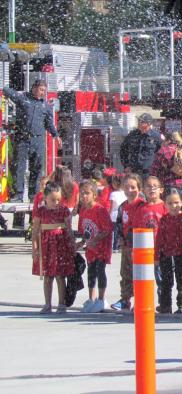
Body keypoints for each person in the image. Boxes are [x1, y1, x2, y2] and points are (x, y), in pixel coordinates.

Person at [4, 80, 62, 202]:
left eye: (44, 91)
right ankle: (18, 195)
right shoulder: (23, 98)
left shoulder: (45, 105)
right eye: (41, 90)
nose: (42, 93)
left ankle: (33, 196)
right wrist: (3, 88)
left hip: (38, 140)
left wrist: (56, 135)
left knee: (36, 168)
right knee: (19, 167)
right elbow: (9, 92)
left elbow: (49, 123)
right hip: (23, 139)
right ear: (34, 88)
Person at [31, 181, 75, 314]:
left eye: (58, 199)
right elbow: (35, 230)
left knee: (60, 276)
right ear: (45, 198)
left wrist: (72, 244)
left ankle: (61, 304)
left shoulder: (64, 210)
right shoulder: (41, 211)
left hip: (60, 246)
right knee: (47, 276)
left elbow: (69, 229)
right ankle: (47, 304)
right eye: (52, 200)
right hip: (46, 247)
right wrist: (35, 249)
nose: (56, 202)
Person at [131, 176, 167, 312]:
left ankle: (163, 303)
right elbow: (136, 229)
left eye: (155, 186)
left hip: (161, 249)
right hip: (144, 251)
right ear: (143, 190)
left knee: (161, 279)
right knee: (143, 278)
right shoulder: (141, 209)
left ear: (161, 190)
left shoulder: (165, 207)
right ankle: (143, 302)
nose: (152, 188)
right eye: (148, 186)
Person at [77, 180, 113, 313]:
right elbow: (85, 230)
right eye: (82, 194)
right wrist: (81, 242)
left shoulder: (100, 210)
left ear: (94, 195)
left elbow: (108, 229)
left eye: (87, 193)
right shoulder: (83, 210)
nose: (84, 196)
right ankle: (91, 298)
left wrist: (96, 240)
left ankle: (101, 299)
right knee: (91, 272)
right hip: (90, 249)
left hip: (101, 248)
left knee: (100, 271)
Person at [111, 174, 145, 311]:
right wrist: (121, 239)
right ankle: (125, 299)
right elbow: (119, 223)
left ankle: (141, 300)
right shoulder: (123, 206)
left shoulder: (142, 205)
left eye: (133, 187)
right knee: (125, 273)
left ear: (139, 188)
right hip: (126, 246)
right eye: (127, 187)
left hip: (140, 245)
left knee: (140, 275)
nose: (130, 190)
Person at [157, 189, 182, 314]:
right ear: (165, 205)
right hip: (166, 253)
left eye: (176, 202)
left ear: (181, 202)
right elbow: (160, 238)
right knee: (166, 280)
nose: (173, 206)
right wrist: (157, 255)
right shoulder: (164, 219)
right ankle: (165, 305)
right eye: (170, 203)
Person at [150, 131, 182, 213]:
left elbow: (155, 169)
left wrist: (151, 182)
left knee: (172, 211)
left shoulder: (164, 150)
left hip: (173, 184)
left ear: (168, 141)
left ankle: (173, 226)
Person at [120, 113, 163, 179]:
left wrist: (157, 168)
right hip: (133, 171)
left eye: (142, 122)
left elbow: (161, 152)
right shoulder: (132, 135)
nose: (139, 123)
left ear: (148, 124)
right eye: (139, 121)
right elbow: (123, 149)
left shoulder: (156, 136)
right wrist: (126, 165)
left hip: (149, 173)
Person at [109, 174, 126, 253]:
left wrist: (108, 215)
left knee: (114, 232)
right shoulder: (125, 193)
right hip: (122, 214)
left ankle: (114, 246)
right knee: (121, 231)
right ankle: (119, 246)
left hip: (114, 215)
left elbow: (112, 206)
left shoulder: (113, 194)